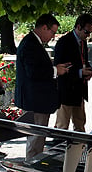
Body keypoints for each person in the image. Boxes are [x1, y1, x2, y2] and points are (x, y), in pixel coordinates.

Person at [15, 14, 68, 161]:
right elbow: (34, 72)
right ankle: (32, 168)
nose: (53, 36)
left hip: (38, 100)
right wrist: (56, 70)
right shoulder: (30, 44)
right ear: (44, 28)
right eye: (52, 32)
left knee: (38, 138)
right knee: (36, 139)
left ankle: (34, 164)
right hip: (35, 101)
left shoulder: (33, 42)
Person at [54, 14, 92, 131]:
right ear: (78, 27)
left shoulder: (83, 42)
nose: (87, 36)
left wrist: (88, 70)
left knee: (80, 123)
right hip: (66, 90)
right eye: (87, 32)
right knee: (62, 125)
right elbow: (58, 67)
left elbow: (84, 61)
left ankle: (78, 147)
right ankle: (60, 147)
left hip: (79, 90)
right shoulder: (64, 42)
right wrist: (79, 72)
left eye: (90, 33)